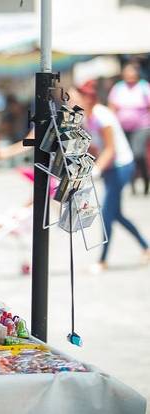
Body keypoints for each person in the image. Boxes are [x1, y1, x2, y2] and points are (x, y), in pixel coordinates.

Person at [74, 80, 150, 272]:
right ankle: (146, 247)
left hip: (121, 166)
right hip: (110, 167)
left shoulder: (102, 116)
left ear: (88, 98)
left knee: (107, 213)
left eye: (75, 96)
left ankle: (103, 260)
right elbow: (94, 146)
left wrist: (96, 169)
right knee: (115, 214)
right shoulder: (87, 116)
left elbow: (110, 150)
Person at [108, 62, 150, 195]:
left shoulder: (144, 87)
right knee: (128, 156)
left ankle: (145, 180)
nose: (130, 75)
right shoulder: (118, 87)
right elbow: (112, 106)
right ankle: (131, 185)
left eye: (132, 72)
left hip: (141, 126)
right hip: (123, 127)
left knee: (138, 154)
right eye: (127, 72)